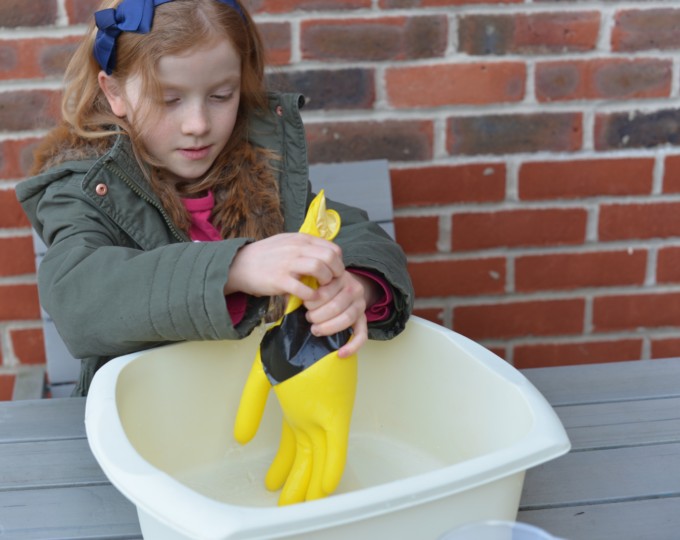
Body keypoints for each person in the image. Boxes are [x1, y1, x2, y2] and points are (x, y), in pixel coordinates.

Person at [15, 0, 413, 398]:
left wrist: (359, 285)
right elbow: (78, 298)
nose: (198, 125)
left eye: (222, 95)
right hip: (143, 417)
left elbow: (352, 232)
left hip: (260, 411)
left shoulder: (262, 170)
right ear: (114, 92)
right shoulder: (87, 187)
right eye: (169, 100)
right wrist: (233, 268)